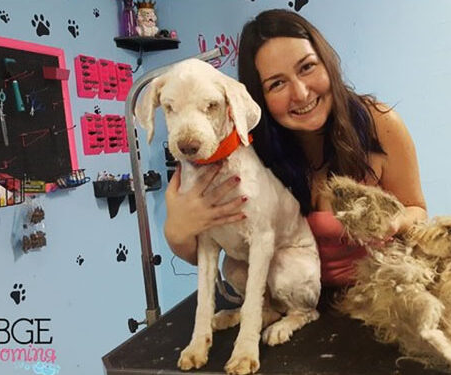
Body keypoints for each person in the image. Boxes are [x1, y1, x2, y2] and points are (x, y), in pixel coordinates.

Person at [164, 9, 427, 288]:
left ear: (326, 62)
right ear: (259, 97)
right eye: (277, 83)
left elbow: (417, 210)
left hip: (378, 296)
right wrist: (177, 231)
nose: (301, 93)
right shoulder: (246, 154)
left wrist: (394, 222)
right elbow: (204, 253)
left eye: (307, 67)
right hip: (289, 305)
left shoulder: (379, 124)